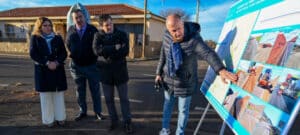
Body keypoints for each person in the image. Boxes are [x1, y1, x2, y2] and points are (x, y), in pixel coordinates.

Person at [155, 14, 238, 135]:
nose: (178, 32)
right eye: (174, 30)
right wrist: (158, 73)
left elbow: (207, 53)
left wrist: (220, 69)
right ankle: (165, 129)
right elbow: (163, 55)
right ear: (168, 30)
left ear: (182, 24)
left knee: (183, 111)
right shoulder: (166, 37)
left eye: (179, 28)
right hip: (168, 80)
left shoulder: (193, 39)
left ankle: (180, 132)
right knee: (167, 106)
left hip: (185, 83)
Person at [93, 14, 133, 134]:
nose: (109, 27)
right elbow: (96, 51)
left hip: (120, 72)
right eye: (106, 25)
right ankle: (113, 121)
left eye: (110, 24)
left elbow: (125, 51)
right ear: (101, 26)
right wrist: (114, 48)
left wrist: (105, 51)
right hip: (105, 73)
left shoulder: (121, 34)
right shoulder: (97, 35)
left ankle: (127, 122)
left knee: (124, 99)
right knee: (109, 100)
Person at [66, 9, 104, 121]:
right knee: (80, 91)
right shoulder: (70, 30)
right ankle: (82, 111)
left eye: (80, 16)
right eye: (76, 18)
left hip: (92, 66)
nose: (78, 19)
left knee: (95, 91)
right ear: (73, 19)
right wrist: (74, 54)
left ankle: (98, 112)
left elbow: (98, 45)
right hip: (76, 67)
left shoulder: (93, 29)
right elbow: (68, 44)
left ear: (84, 17)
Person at [30, 17, 67, 127]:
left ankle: (61, 118)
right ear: (40, 27)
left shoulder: (57, 38)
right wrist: (47, 63)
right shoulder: (35, 38)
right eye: (45, 25)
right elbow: (33, 54)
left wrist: (56, 62)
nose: (48, 27)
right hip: (43, 71)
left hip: (57, 70)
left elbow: (63, 53)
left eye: (49, 25)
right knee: (46, 98)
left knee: (58, 96)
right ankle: (48, 120)